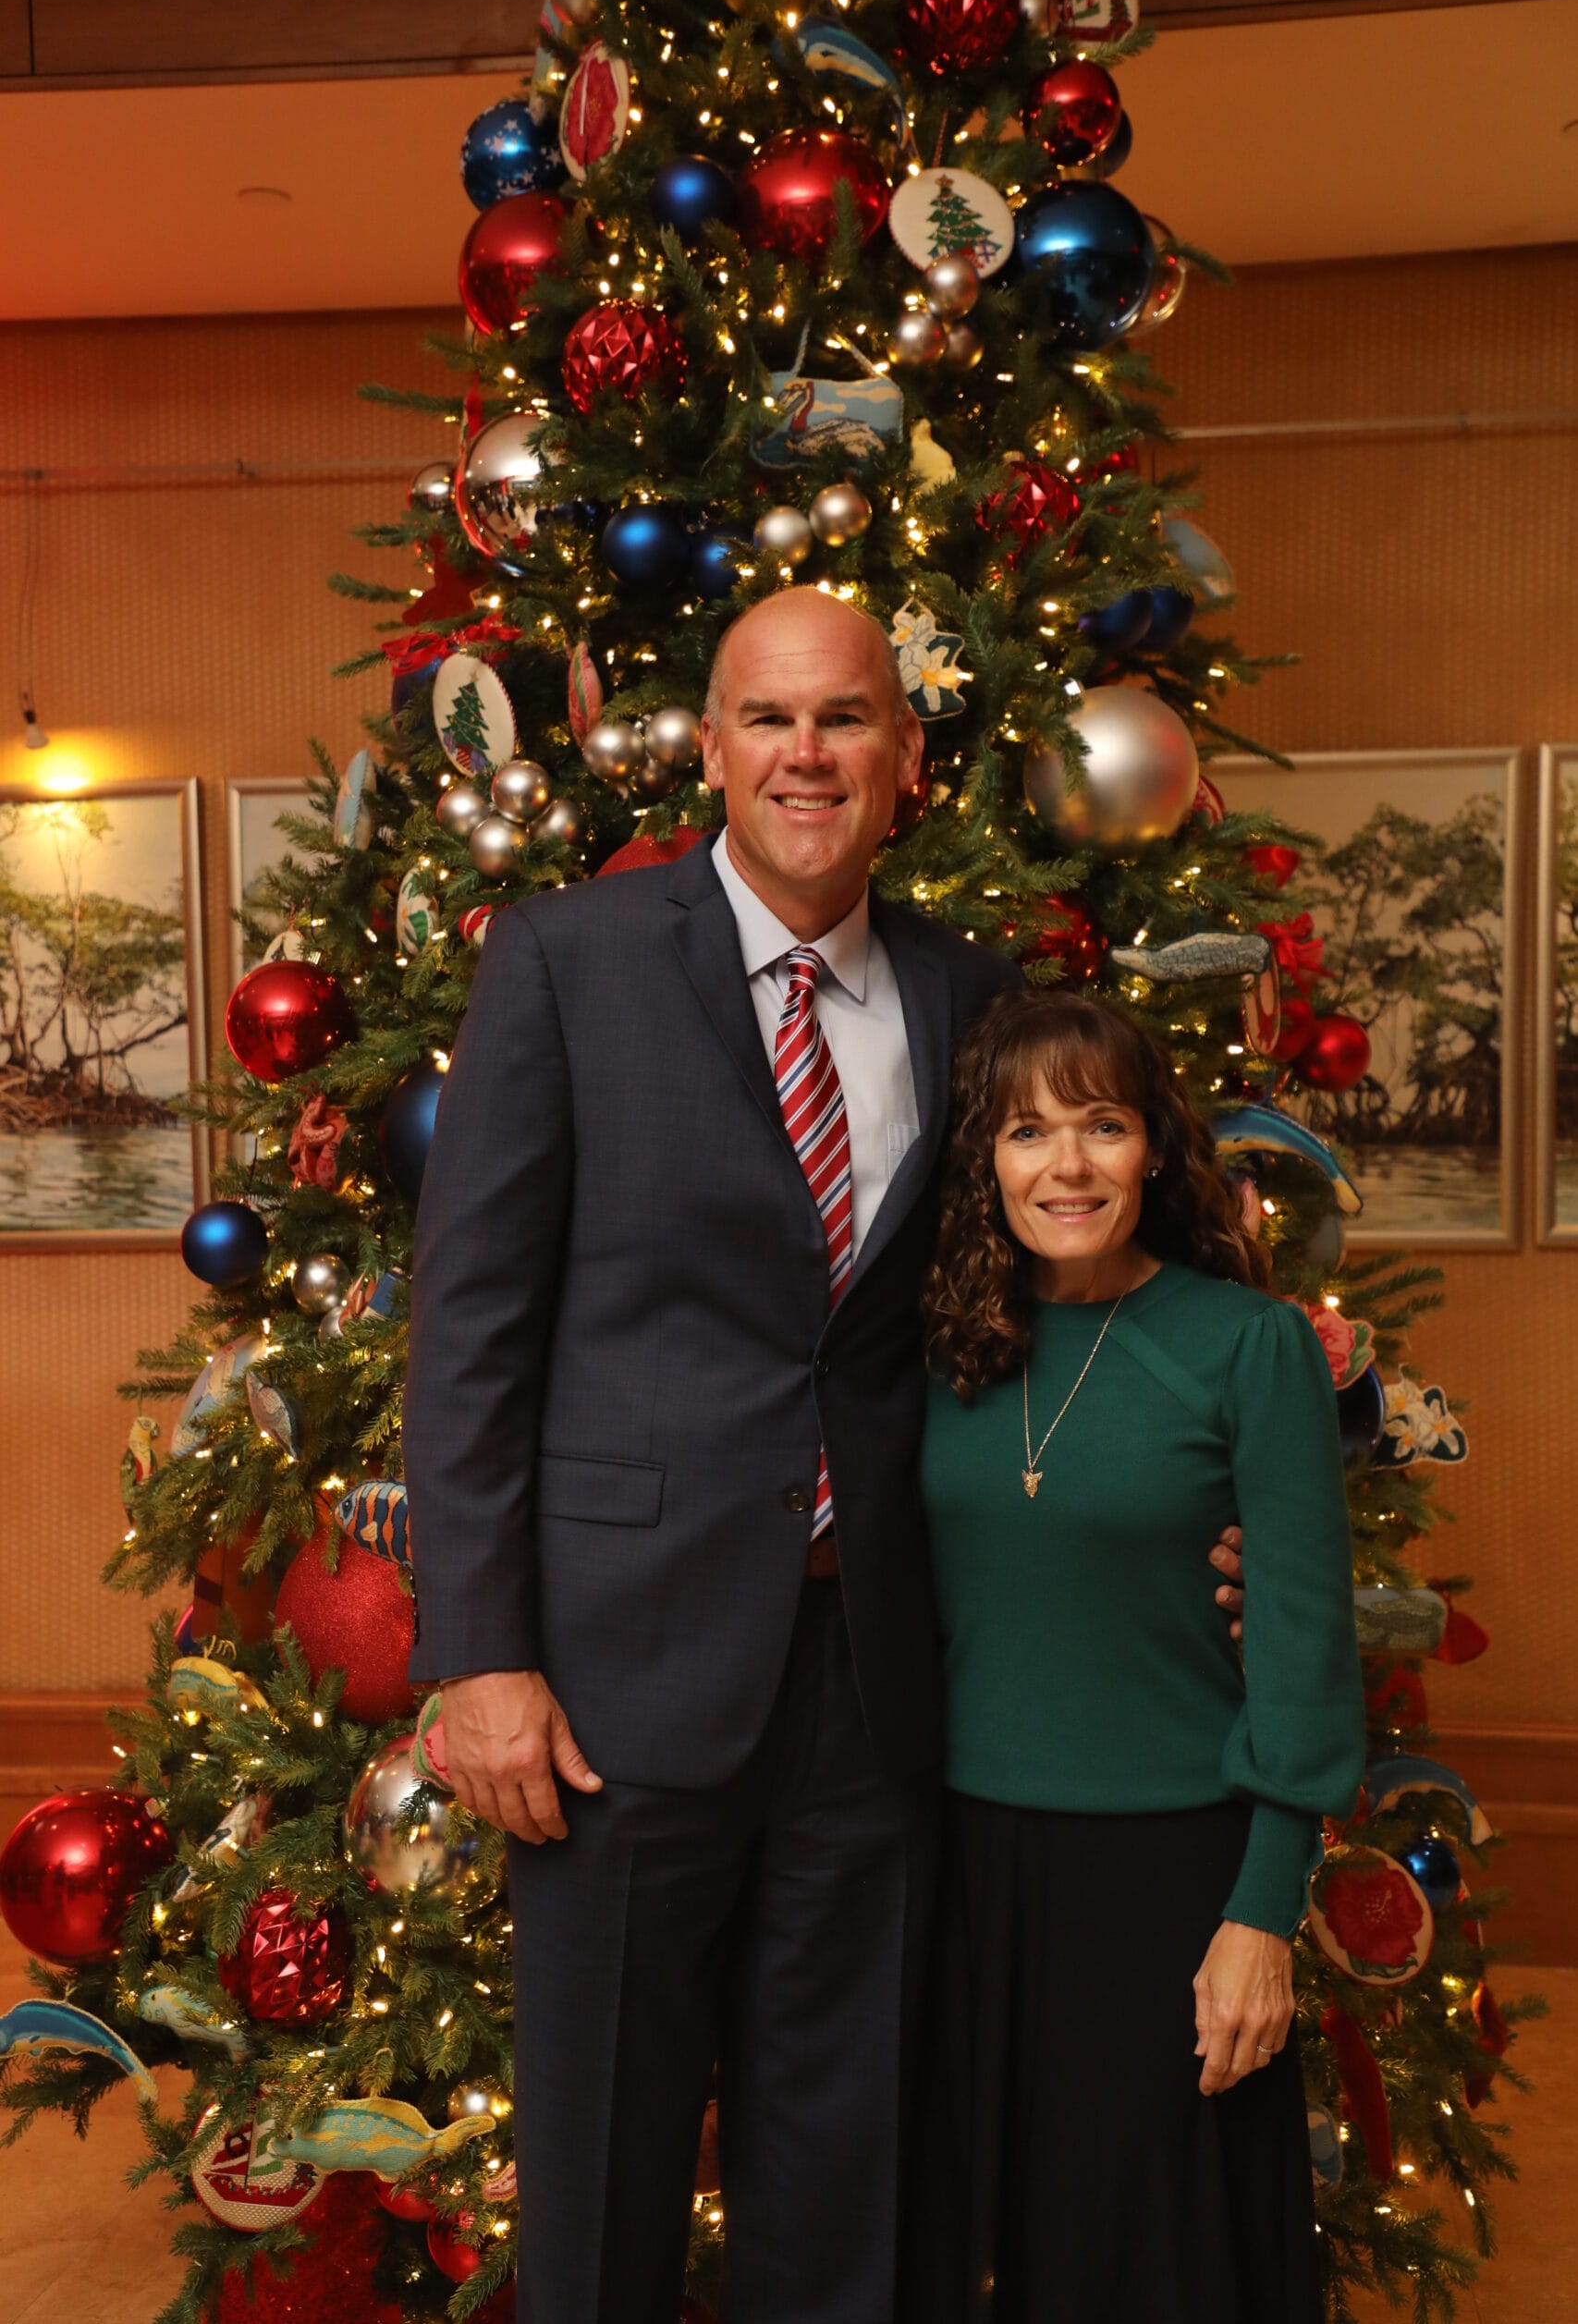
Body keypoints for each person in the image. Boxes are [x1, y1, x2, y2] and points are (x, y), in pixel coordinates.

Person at [402, 587, 1247, 2324]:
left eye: (845, 718)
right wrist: (478, 1655)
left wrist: (1193, 1521)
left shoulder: (972, 997)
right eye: (770, 719)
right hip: (613, 1683)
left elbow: (1043, 1311)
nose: (807, 755)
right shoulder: (563, 961)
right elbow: (471, 1330)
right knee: (604, 2174)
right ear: (711, 750)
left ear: (906, 754)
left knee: (847, 2177)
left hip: (880, 1678)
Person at [907, 986, 1365, 2324]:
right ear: (985, 1161)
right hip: (962, 1877)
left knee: (1161, 2269)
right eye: (1026, 1132)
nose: (1067, 1167)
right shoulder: (936, 1351)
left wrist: (1261, 1916)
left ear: (1153, 1146)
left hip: (1175, 1877)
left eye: (1101, 1126)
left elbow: (1303, 1647)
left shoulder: (1248, 1346)